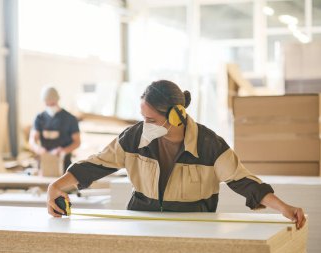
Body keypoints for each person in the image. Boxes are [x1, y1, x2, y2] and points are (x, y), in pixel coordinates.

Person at [47, 80, 306, 229]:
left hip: (195, 226)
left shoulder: (209, 145)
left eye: (150, 119)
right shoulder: (135, 137)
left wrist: (283, 207)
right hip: (142, 222)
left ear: (176, 116)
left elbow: (244, 182)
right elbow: (97, 165)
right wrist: (58, 185)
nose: (144, 124)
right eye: (142, 117)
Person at [29, 86, 81, 173]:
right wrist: (38, 148)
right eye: (47, 103)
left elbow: (77, 142)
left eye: (52, 103)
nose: (49, 104)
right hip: (44, 163)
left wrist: (64, 151)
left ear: (57, 100)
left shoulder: (70, 119)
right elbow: (32, 140)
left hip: (64, 165)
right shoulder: (39, 118)